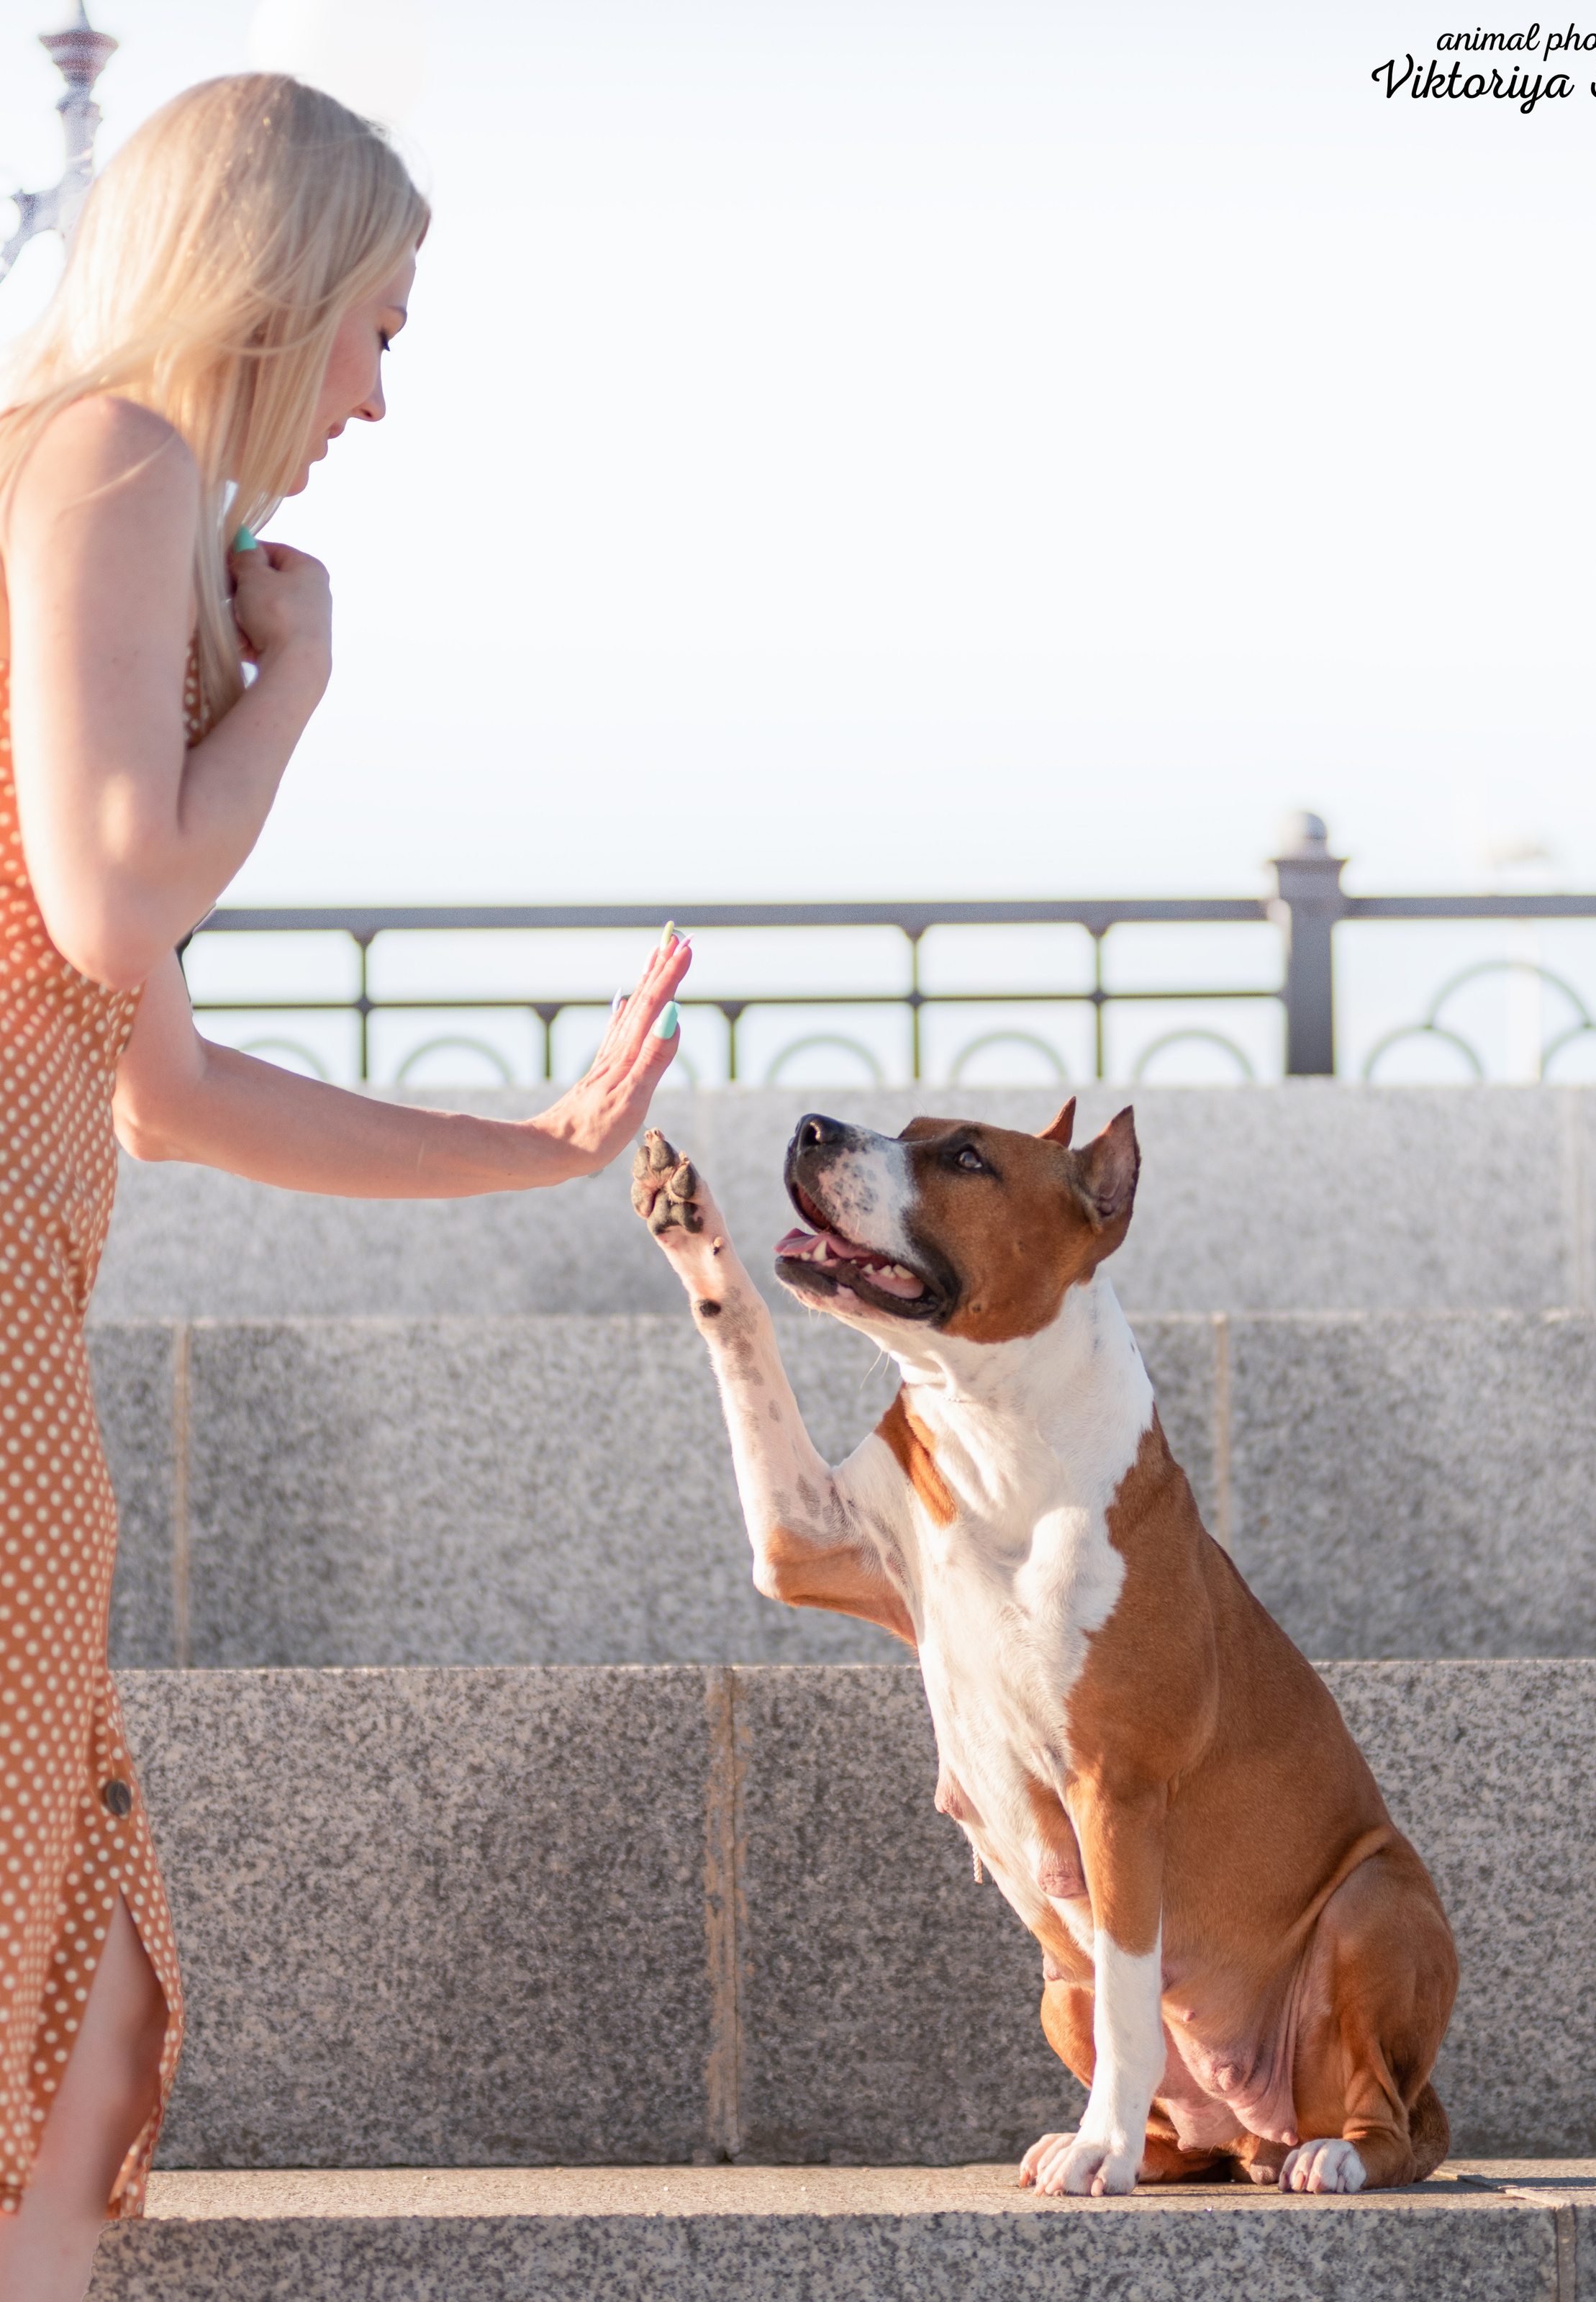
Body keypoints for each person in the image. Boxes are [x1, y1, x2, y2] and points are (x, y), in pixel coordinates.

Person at [0, 73, 690, 2299]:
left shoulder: (111, 500)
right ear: (271, 293)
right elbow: (119, 909)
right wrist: (294, 691)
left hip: (38, 1346)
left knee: (84, 2029)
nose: (381, 394)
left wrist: (543, 1148)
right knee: (54, 2015)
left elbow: (162, 1084)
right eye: (379, 324)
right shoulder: (109, 456)